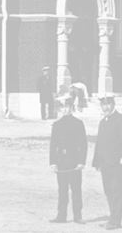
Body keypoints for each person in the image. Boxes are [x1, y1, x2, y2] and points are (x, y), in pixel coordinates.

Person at [92, 95, 122, 230]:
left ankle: (115, 222)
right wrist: (97, 161)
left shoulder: (121, 120)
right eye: (103, 105)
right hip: (105, 164)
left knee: (116, 192)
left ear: (113, 104)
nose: (106, 107)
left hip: (117, 164)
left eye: (108, 104)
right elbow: (100, 143)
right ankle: (112, 218)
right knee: (108, 191)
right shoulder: (103, 122)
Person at [48, 95, 86, 224]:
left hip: (74, 161)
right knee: (62, 190)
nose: (66, 110)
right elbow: (53, 145)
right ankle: (61, 215)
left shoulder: (78, 124)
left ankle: (78, 216)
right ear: (60, 109)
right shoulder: (57, 125)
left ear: (72, 108)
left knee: (76, 190)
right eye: (63, 107)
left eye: (68, 107)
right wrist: (53, 162)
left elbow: (83, 144)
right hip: (61, 162)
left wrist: (81, 161)